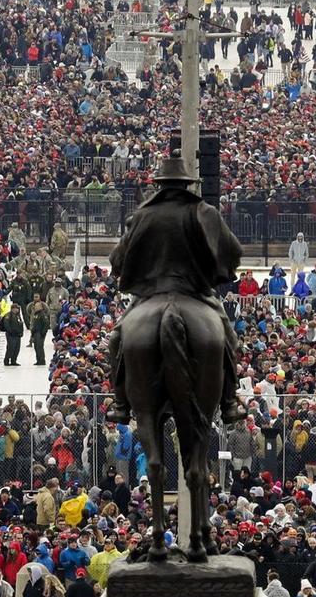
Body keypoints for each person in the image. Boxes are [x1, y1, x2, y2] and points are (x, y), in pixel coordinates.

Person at [105, 156, 245, 424]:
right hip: (195, 292)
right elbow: (233, 252)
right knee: (228, 337)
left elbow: (116, 260)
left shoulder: (143, 215)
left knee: (117, 340)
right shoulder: (205, 213)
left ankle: (121, 404)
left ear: (160, 185)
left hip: (152, 294)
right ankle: (228, 402)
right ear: (186, 185)